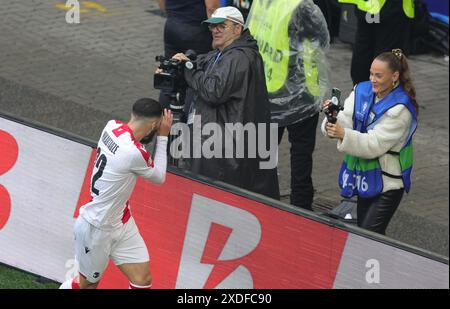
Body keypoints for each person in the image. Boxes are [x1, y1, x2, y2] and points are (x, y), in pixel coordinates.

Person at [59, 99, 173, 289]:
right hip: (97, 227)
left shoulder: (111, 126)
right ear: (154, 125)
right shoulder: (134, 153)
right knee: (86, 286)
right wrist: (163, 136)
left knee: (142, 280)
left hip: (122, 221)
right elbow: (160, 177)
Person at [172, 6, 280, 200]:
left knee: (215, 195)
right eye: (213, 27)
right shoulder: (225, 53)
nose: (215, 30)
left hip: (223, 146)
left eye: (222, 26)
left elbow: (214, 91)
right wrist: (186, 62)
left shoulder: (238, 57)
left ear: (237, 29)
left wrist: (189, 70)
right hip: (218, 139)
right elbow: (204, 62)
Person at [322, 49, 418, 235]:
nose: (373, 79)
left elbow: (374, 145)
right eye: (371, 73)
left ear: (395, 76)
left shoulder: (401, 109)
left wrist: (343, 134)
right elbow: (347, 118)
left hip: (388, 184)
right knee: (366, 237)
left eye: (379, 75)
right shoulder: (362, 90)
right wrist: (332, 120)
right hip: (365, 176)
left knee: (369, 237)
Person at [247, 0, 330, 210]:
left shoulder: (262, 2)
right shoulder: (303, 6)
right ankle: (300, 207)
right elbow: (321, 40)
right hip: (301, 91)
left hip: (268, 85)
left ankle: (259, 198)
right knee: (301, 155)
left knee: (263, 152)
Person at [157, 0, 221, 109]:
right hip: (197, 30)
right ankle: (190, 116)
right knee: (197, 74)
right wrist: (217, 31)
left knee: (170, 73)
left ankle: (164, 117)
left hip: (173, 26)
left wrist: (173, 15)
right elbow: (212, 7)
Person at [338, 0, 415, 85]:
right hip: (390, 7)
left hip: (367, 5)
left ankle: (361, 90)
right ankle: (382, 91)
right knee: (387, 55)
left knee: (363, 49)